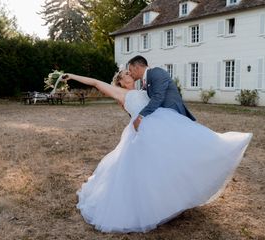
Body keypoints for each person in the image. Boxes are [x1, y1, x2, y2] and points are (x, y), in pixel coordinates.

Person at [61, 71, 252, 233]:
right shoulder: (119, 92)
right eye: (125, 74)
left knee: (172, 160)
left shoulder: (145, 88)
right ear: (119, 81)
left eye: (129, 72)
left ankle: (175, 198)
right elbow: (94, 82)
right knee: (145, 171)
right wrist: (71, 76)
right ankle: (147, 208)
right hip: (143, 132)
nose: (129, 75)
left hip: (163, 125)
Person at [127, 55, 195, 131]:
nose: (130, 73)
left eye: (130, 70)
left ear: (137, 68)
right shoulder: (146, 80)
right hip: (164, 116)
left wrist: (140, 117)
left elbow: (158, 97)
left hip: (174, 113)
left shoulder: (157, 72)